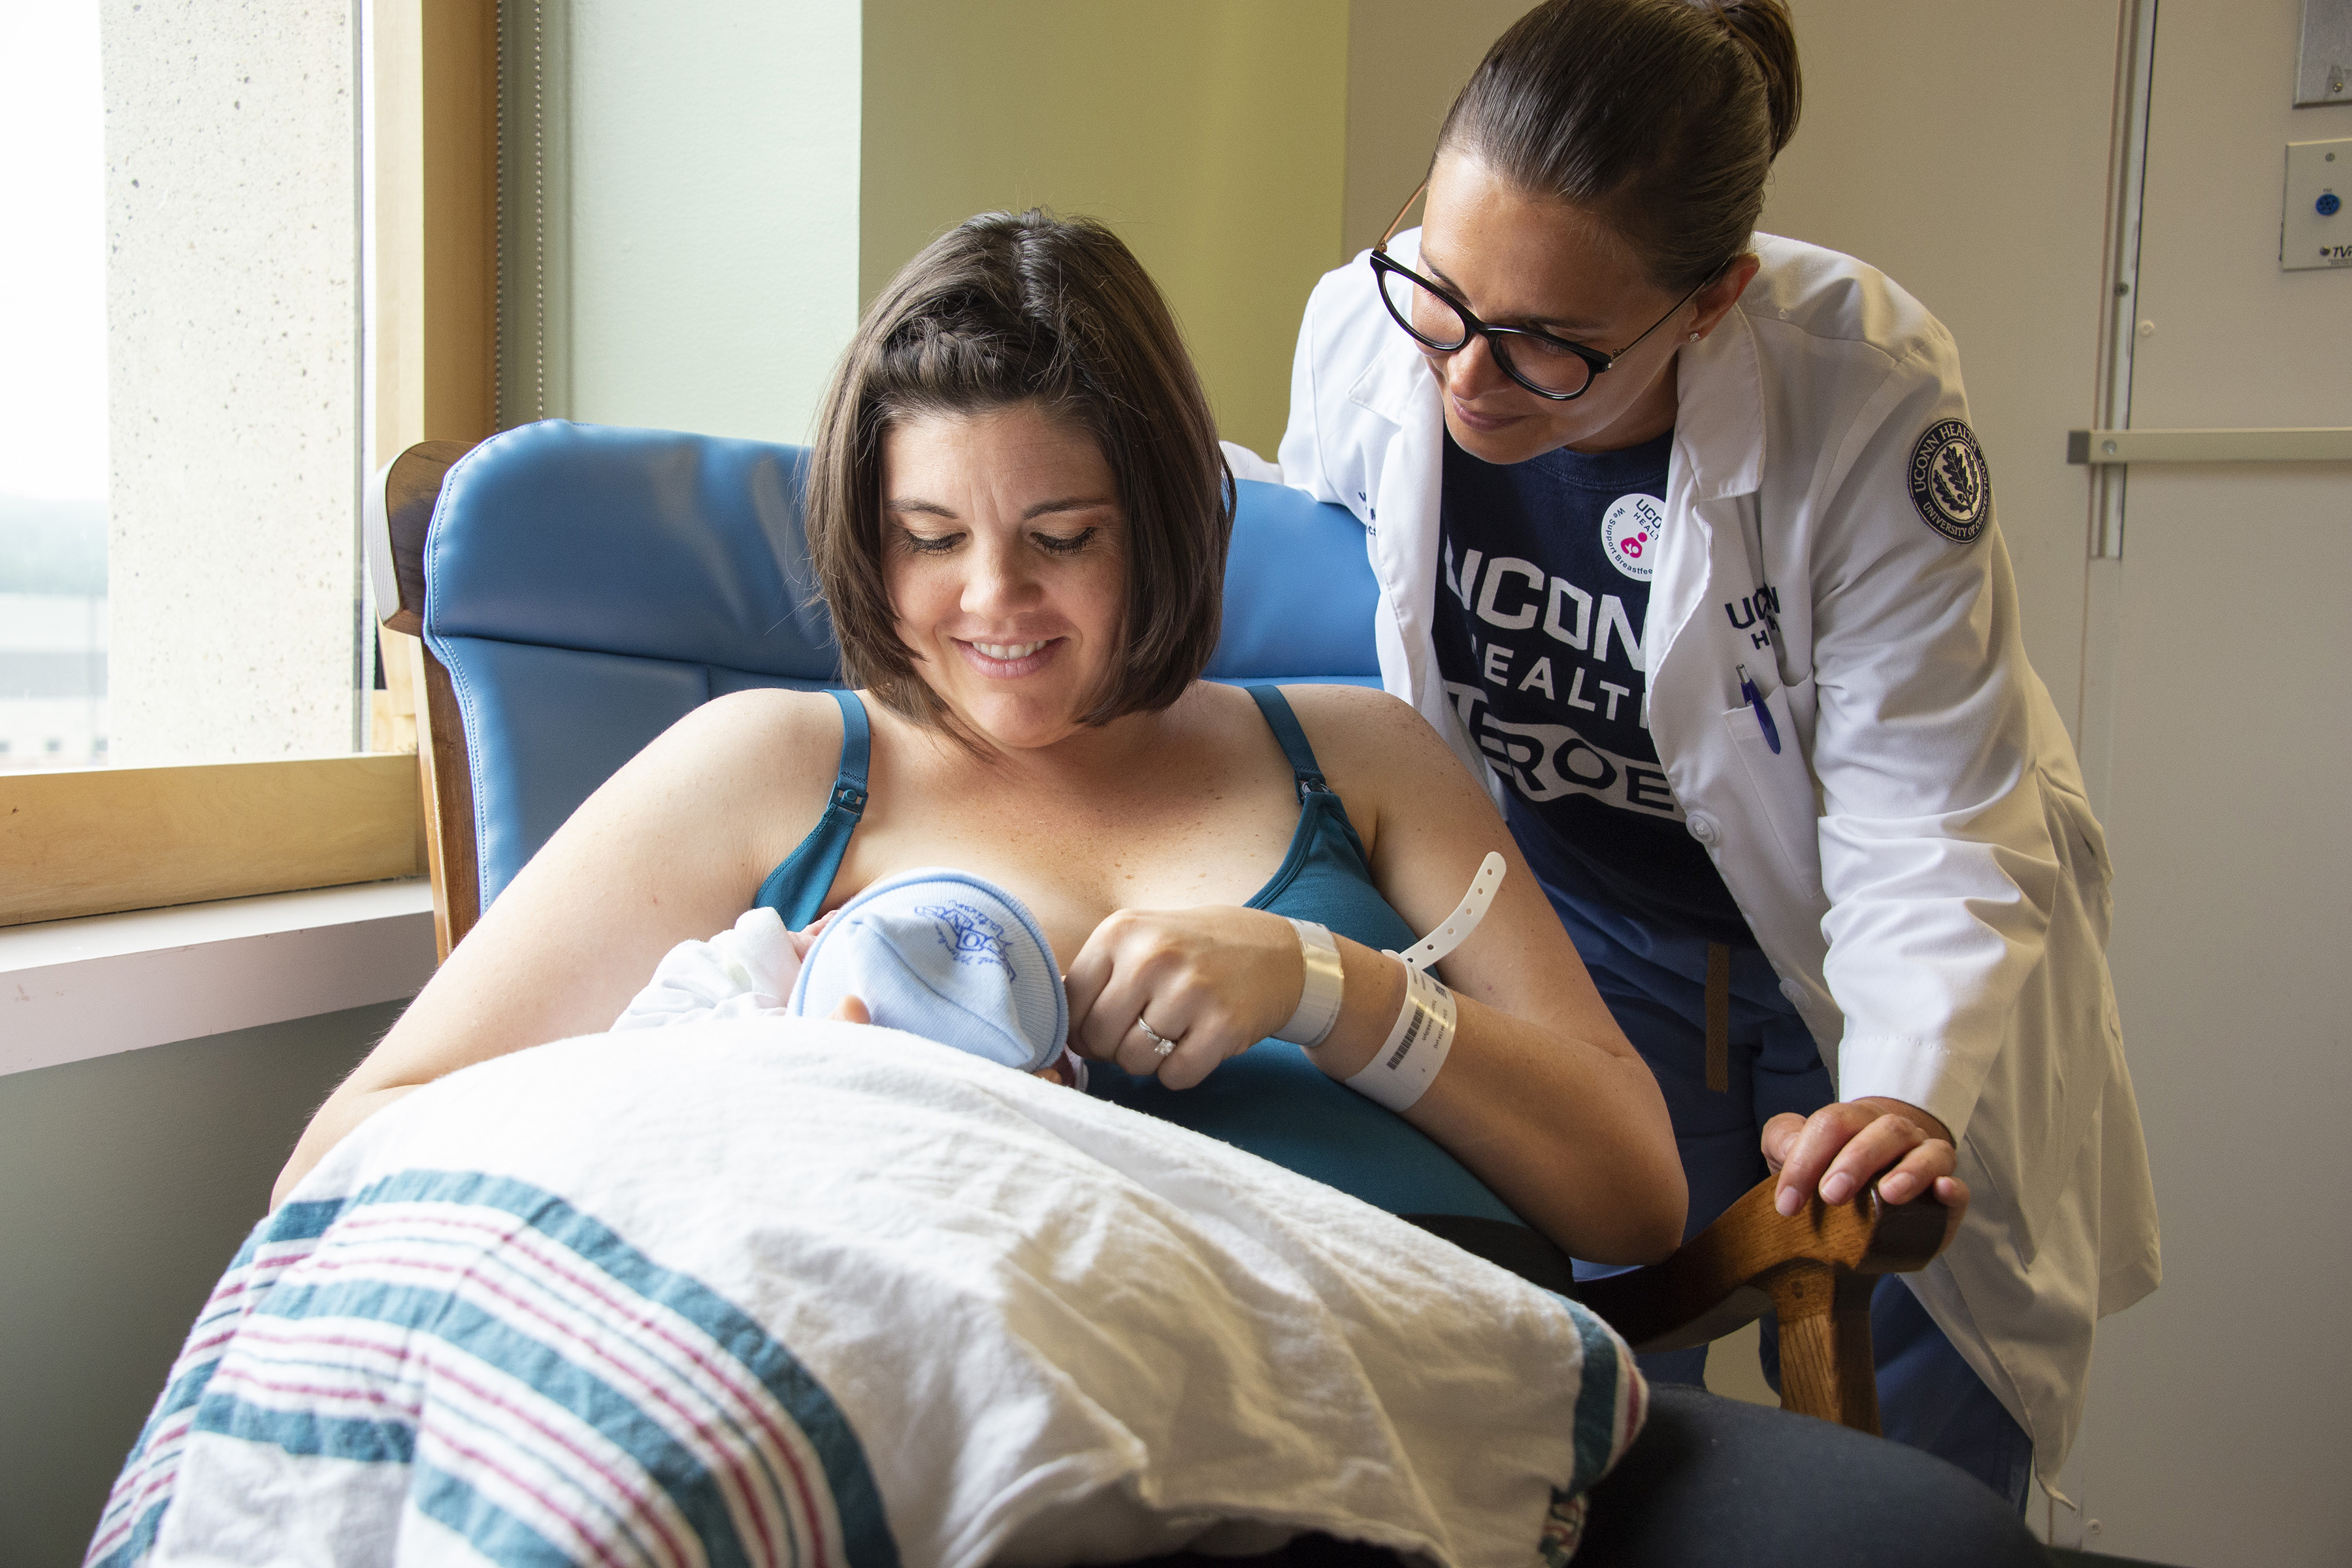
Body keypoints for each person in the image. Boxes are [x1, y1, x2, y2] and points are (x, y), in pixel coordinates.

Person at [270, 208, 2047, 1567]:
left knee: (1916, 1538)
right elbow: (362, 1140)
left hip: (1463, 1381)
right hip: (1044, 1403)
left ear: (1165, 526)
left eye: (1064, 537)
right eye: (927, 536)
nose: (993, 604)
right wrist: (791, 1088)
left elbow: (1638, 1189)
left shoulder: (1359, 757)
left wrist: (1331, 991)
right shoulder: (769, 770)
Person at [1232, 0, 2159, 1512]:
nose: (1466, 378)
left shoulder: (1857, 390)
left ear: (1713, 299)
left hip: (1865, 960)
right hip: (1598, 941)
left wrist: (1908, 1089)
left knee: (1919, 1420)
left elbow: (1930, 819)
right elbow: (1341, 601)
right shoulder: (1368, 323)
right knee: (1593, 1404)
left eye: (1551, 349)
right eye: (1446, 297)